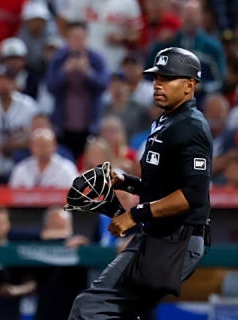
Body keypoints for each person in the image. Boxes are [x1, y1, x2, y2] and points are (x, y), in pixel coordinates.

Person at [68, 47, 211, 319]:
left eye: (168, 79)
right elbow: (161, 187)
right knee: (122, 313)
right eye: (156, 78)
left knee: (90, 307)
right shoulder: (166, 121)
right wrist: (125, 181)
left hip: (176, 240)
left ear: (189, 86)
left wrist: (135, 214)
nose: (158, 84)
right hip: (159, 235)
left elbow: (192, 195)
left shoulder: (193, 126)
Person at [46, 22, 110, 158]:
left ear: (87, 38)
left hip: (90, 125)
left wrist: (88, 73)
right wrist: (64, 72)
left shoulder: (97, 59)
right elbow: (50, 87)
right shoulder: (58, 59)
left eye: (81, 38)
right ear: (67, 39)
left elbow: (104, 85)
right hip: (63, 125)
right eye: (74, 38)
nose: (78, 42)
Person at [9, 128, 79, 188]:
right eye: (38, 145)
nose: (42, 149)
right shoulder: (21, 168)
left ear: (55, 146)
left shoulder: (67, 168)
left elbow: (75, 195)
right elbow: (12, 194)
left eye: (45, 145)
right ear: (31, 147)